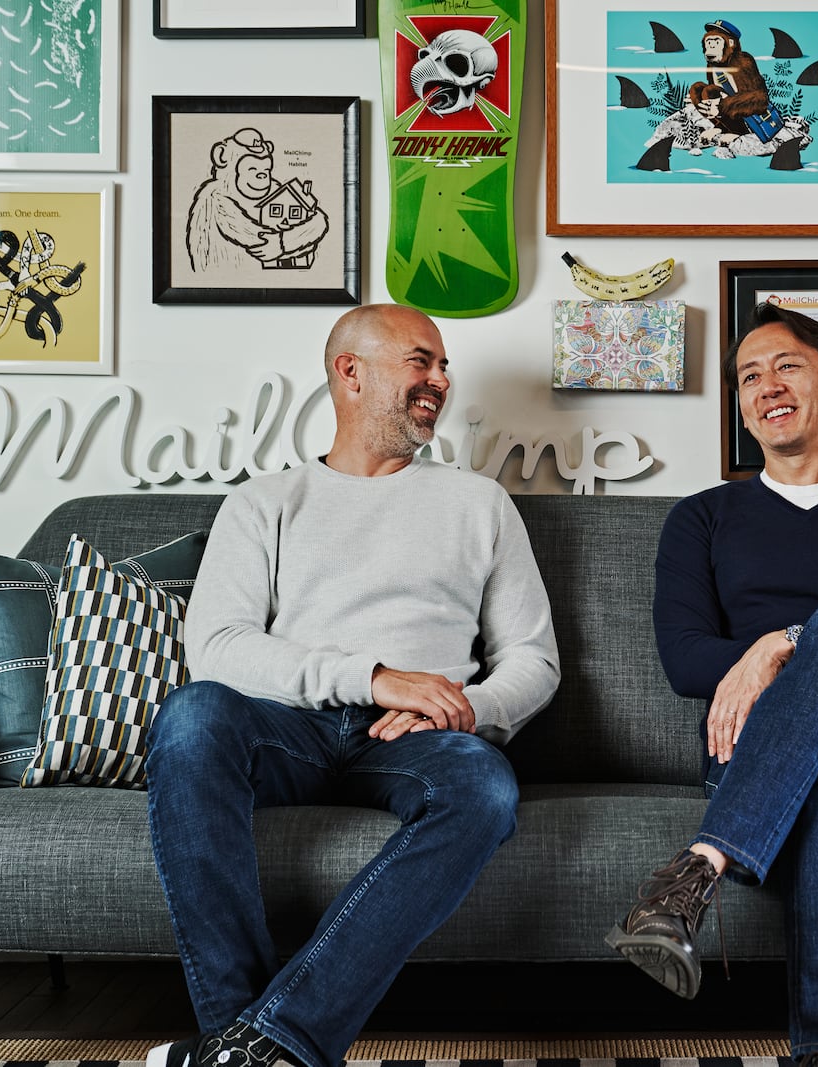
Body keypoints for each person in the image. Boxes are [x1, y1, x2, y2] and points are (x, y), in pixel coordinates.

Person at [145, 304, 561, 1067]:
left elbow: (534, 658)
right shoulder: (264, 503)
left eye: (443, 365)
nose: (439, 379)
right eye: (420, 361)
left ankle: (256, 1045)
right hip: (287, 728)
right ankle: (251, 1035)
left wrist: (465, 710)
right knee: (192, 715)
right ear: (351, 372)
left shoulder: (479, 504)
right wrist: (371, 676)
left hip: (417, 741)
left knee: (486, 789)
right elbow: (216, 647)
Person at [605, 302, 818, 1065]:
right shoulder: (702, 517)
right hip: (765, 747)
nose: (766, 385)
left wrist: (781, 643)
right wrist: (768, 647)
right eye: (747, 376)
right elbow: (685, 659)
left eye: (786, 366)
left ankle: (698, 866)